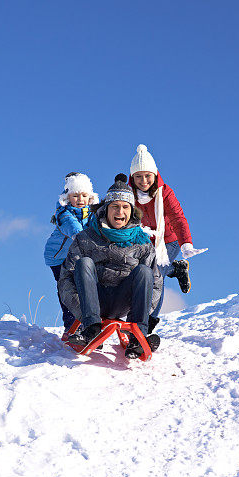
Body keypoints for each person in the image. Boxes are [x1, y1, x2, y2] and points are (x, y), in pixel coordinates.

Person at [58, 178, 163, 358]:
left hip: (124, 300)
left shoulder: (143, 244)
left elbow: (155, 285)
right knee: (84, 263)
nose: (120, 211)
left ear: (132, 211)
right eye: (115, 206)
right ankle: (91, 329)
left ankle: (138, 336)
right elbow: (66, 280)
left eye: (125, 207)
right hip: (92, 300)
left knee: (144, 271)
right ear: (106, 209)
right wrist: (83, 312)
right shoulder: (86, 238)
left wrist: (145, 312)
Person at [127, 143, 195, 327]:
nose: (143, 181)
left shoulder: (165, 193)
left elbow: (178, 218)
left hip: (167, 240)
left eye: (147, 176)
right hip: (141, 241)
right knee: (136, 272)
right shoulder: (128, 195)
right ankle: (177, 269)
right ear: (132, 177)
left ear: (154, 175)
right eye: (138, 177)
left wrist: (186, 243)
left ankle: (149, 321)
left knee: (156, 273)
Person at [44, 172, 99, 332]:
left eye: (84, 195)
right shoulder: (63, 213)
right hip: (59, 258)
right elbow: (75, 230)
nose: (80, 199)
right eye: (75, 195)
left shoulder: (92, 213)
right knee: (67, 288)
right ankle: (71, 325)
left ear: (90, 196)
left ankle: (87, 323)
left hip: (78, 257)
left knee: (85, 287)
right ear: (68, 197)